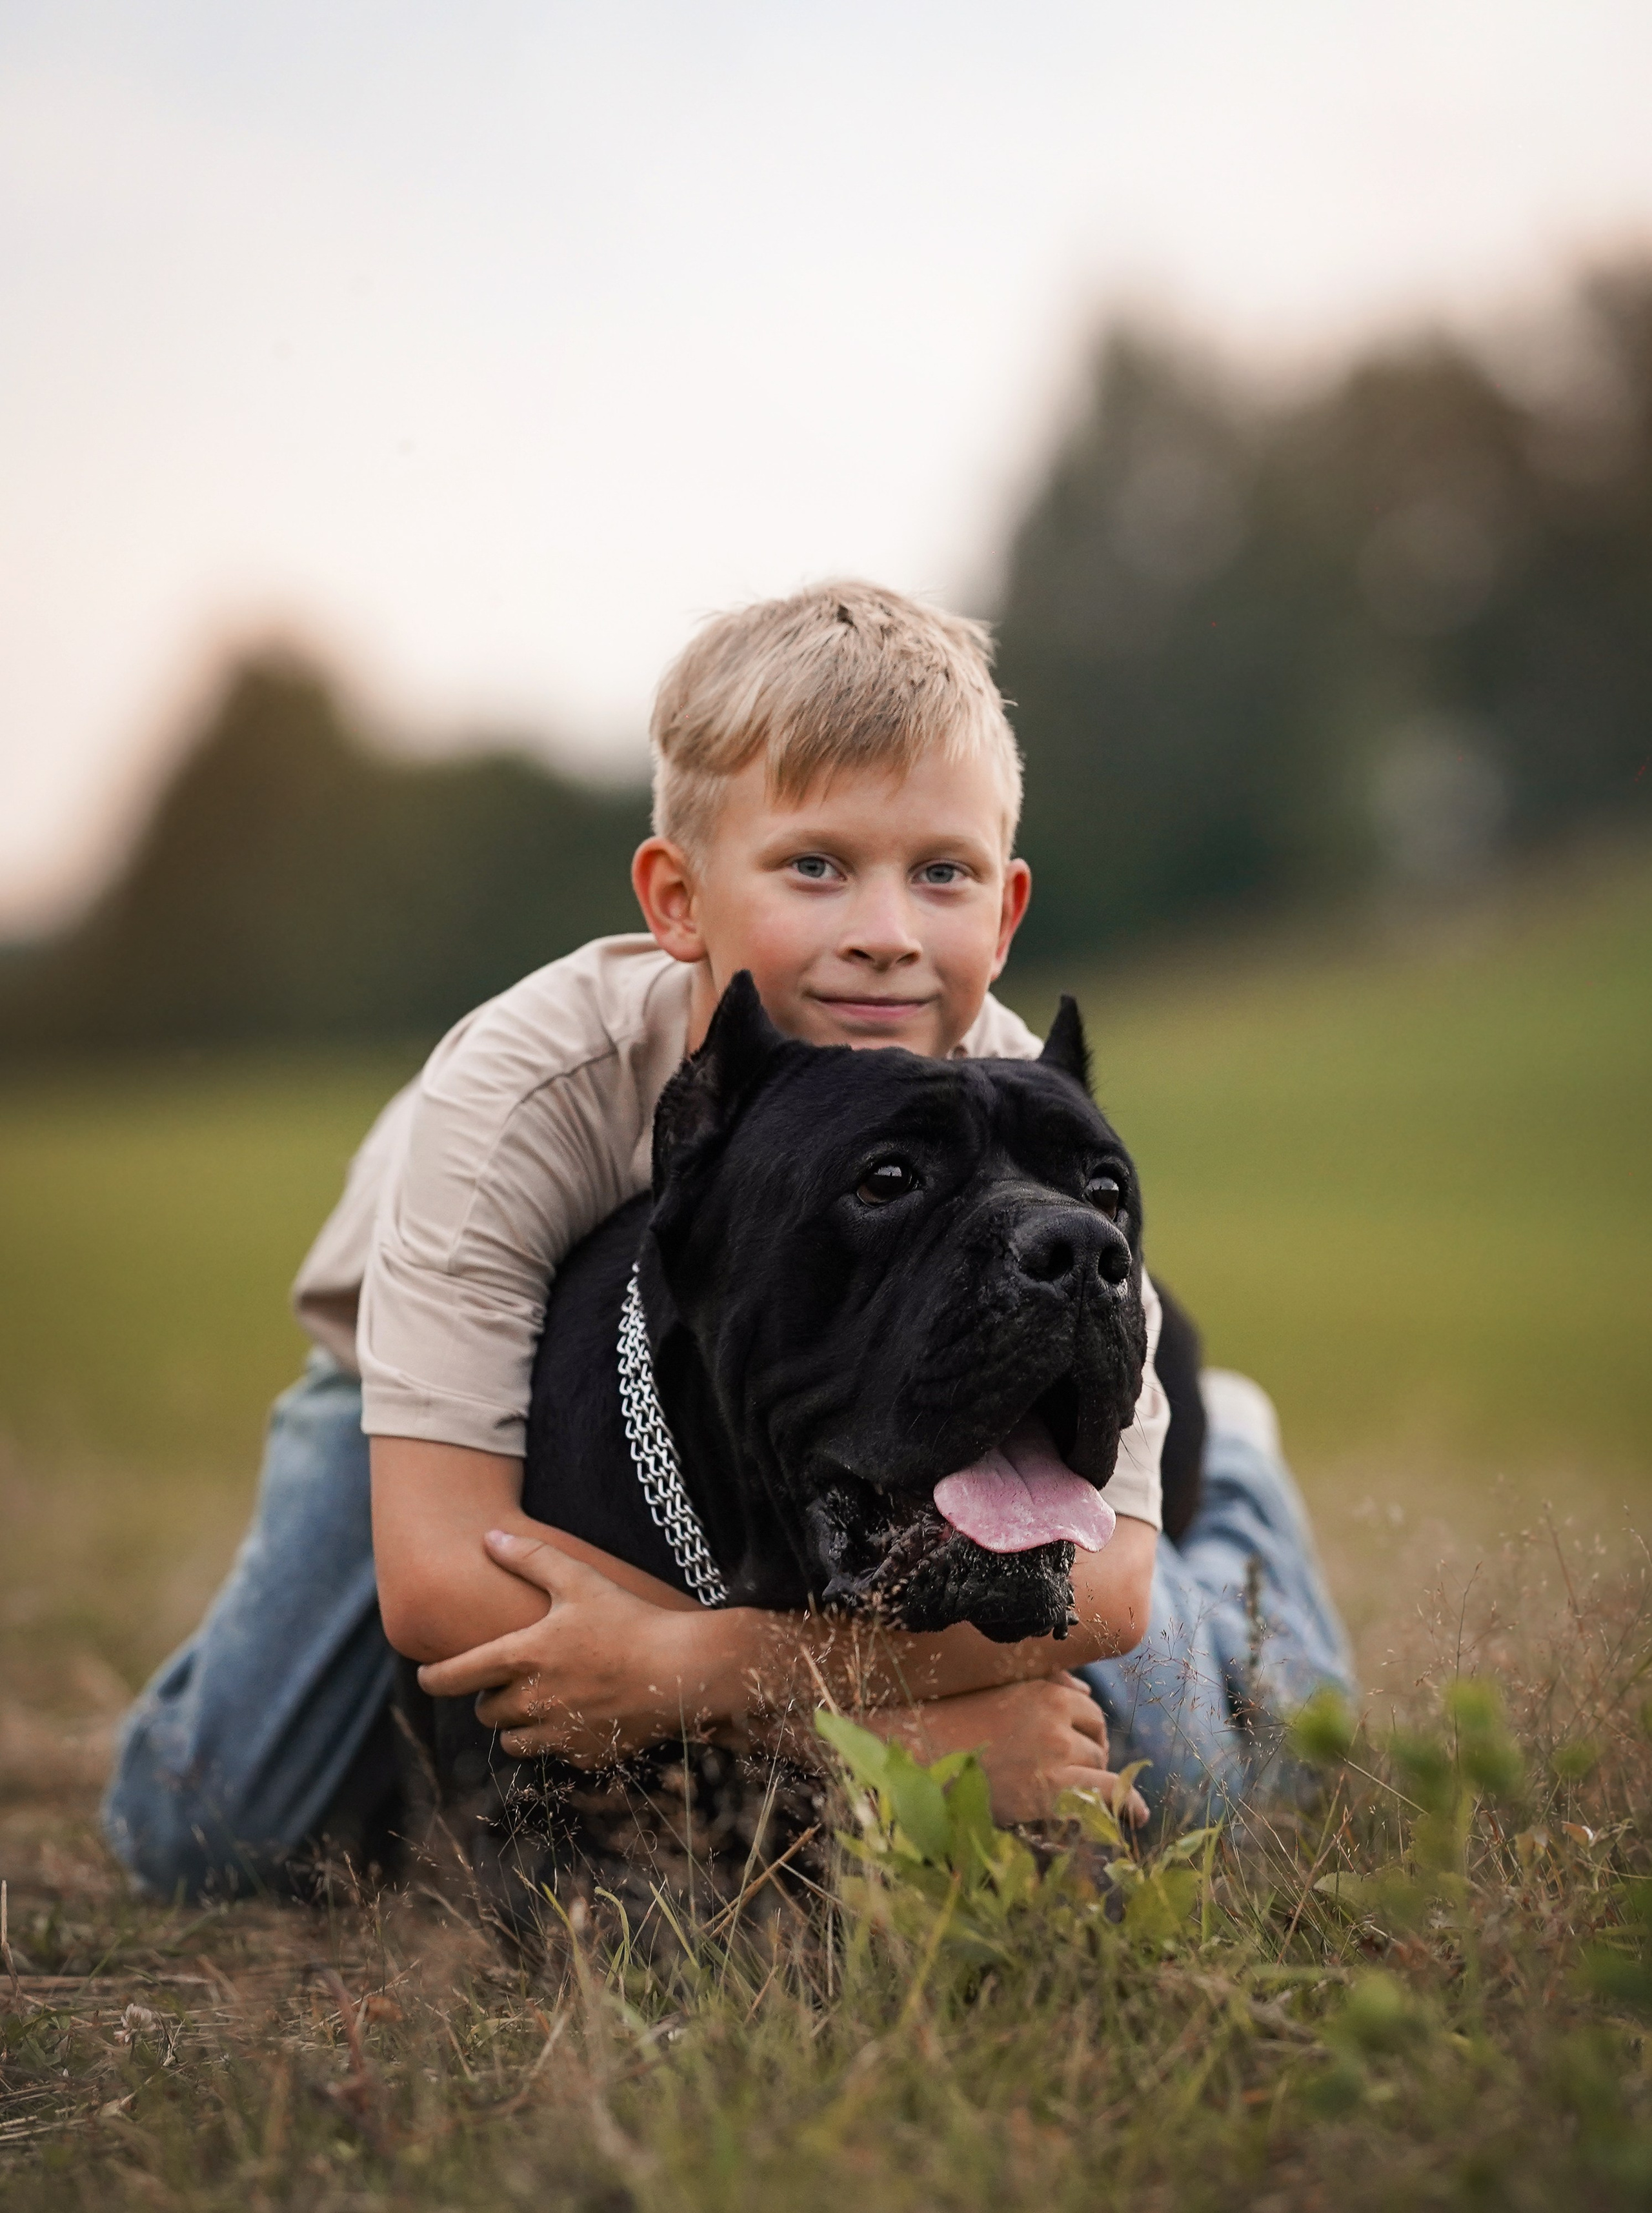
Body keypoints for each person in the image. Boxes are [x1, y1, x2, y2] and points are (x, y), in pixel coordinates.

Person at [103, 582, 1352, 1900]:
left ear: (1004, 912)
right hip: (429, 1397)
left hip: (868, 1409)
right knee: (211, 1829)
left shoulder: (1020, 1115)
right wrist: (852, 1713)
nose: (883, 933)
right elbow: (435, 1569)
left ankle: (1238, 1474)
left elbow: (1102, 1592)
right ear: (677, 897)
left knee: (1190, 1781)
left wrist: (696, 1672)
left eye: (941, 872)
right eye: (815, 866)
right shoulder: (530, 1087)